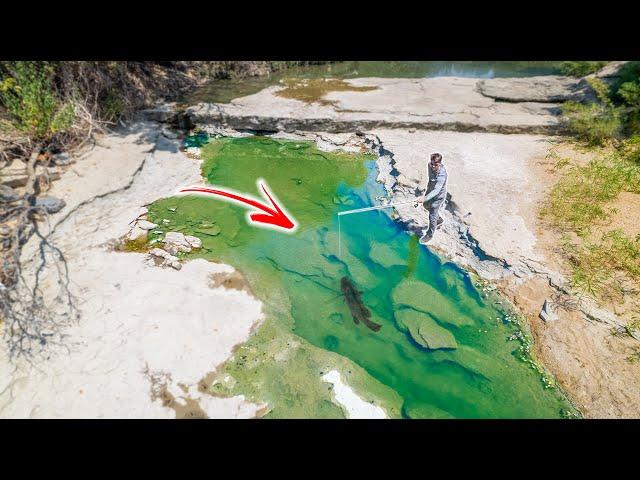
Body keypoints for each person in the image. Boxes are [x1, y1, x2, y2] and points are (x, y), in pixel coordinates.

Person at [417, 153, 447, 244]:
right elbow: (431, 179)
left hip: (438, 197)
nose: (433, 166)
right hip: (429, 191)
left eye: (436, 164)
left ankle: (429, 235)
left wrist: (425, 198)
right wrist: (426, 197)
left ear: (440, 163)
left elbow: (437, 190)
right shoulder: (429, 165)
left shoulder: (442, 175)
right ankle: (439, 219)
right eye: (432, 163)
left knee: (432, 215)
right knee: (426, 205)